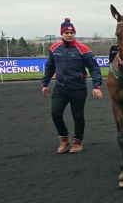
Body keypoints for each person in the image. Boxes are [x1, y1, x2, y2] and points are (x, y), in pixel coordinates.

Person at [42, 18, 103, 154]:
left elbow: (94, 68)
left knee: (78, 115)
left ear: (74, 33)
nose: (69, 34)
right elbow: (50, 66)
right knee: (55, 113)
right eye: (66, 32)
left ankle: (77, 142)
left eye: (71, 32)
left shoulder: (83, 49)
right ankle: (64, 139)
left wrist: (96, 86)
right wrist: (45, 83)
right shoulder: (54, 48)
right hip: (61, 87)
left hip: (78, 88)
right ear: (62, 34)